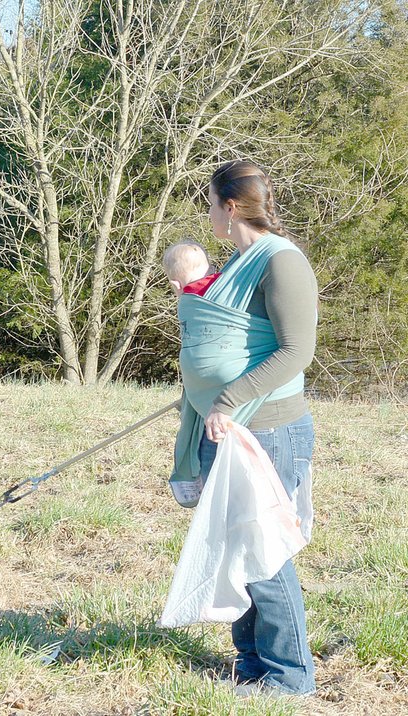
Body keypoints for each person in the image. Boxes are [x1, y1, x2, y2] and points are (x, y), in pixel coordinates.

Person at [170, 160, 318, 696]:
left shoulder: (282, 263)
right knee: (235, 547)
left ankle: (291, 675)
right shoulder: (239, 260)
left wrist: (226, 397)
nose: (208, 212)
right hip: (225, 427)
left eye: (211, 203)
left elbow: (297, 350)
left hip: (268, 428)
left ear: (230, 208)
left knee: (264, 550)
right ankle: (252, 661)